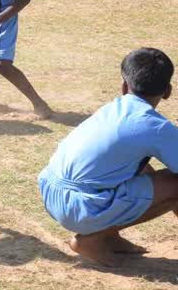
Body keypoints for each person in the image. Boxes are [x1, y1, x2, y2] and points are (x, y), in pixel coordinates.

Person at [38, 48, 178, 267]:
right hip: (80, 207)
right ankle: (93, 239)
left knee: (138, 165)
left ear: (124, 86)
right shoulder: (156, 126)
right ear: (168, 91)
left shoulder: (112, 109)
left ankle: (110, 237)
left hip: (51, 193)